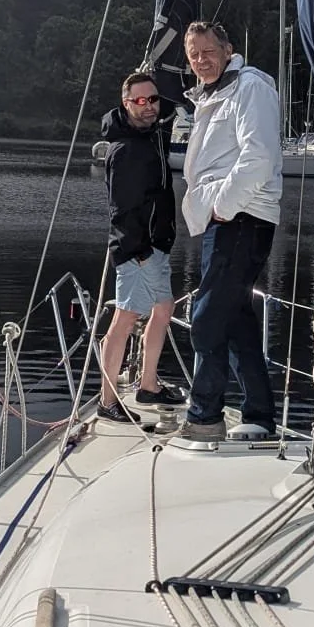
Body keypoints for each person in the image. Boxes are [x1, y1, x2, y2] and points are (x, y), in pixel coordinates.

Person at [172, 21, 284, 443]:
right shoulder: (214, 93)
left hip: (240, 218)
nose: (201, 60)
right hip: (224, 221)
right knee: (235, 321)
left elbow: (258, 155)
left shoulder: (250, 86)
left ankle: (204, 416)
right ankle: (259, 417)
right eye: (194, 55)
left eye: (208, 51)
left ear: (227, 49)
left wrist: (223, 207)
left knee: (205, 319)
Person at [97, 71, 186, 424]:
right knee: (124, 319)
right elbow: (122, 209)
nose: (148, 106)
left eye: (153, 99)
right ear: (126, 103)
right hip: (138, 250)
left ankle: (148, 384)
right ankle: (107, 399)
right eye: (139, 101)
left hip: (156, 246)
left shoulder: (152, 137)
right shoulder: (126, 150)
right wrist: (139, 251)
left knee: (163, 310)